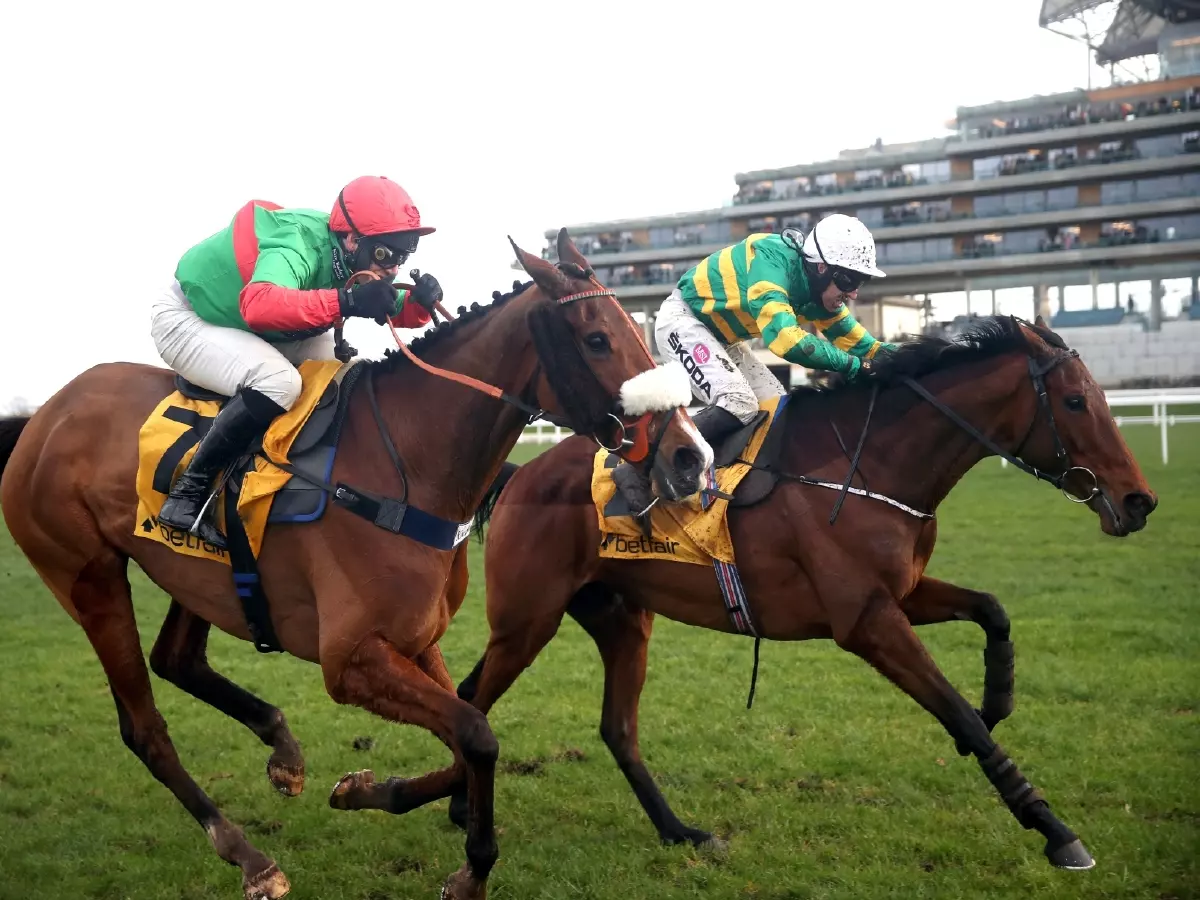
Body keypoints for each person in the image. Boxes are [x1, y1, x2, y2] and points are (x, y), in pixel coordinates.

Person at [150, 175, 444, 548]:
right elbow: (259, 305)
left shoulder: (351, 252)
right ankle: (186, 496)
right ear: (352, 239)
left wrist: (418, 305)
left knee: (346, 378)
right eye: (385, 255)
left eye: (402, 257)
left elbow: (388, 304)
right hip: (190, 317)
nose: (392, 269)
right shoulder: (297, 243)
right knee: (279, 383)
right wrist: (348, 302)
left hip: (260, 326)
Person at [614, 213, 896, 512]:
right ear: (821, 267)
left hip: (724, 339)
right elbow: (786, 341)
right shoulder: (771, 261)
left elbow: (866, 347)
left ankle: (732, 484)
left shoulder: (820, 291)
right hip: (683, 322)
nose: (853, 292)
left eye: (860, 281)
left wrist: (935, 356)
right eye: (849, 280)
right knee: (739, 403)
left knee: (777, 407)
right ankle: (636, 467)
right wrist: (854, 367)